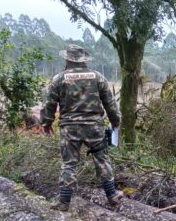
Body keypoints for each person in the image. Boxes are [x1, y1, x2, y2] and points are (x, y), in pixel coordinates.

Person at [41, 44, 123, 211]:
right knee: (101, 159)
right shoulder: (97, 77)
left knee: (69, 163)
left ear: (68, 59)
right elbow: (109, 102)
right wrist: (115, 121)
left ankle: (64, 202)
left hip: (69, 128)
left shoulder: (59, 78)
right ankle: (112, 195)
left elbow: (49, 103)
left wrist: (46, 122)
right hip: (94, 127)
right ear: (83, 59)